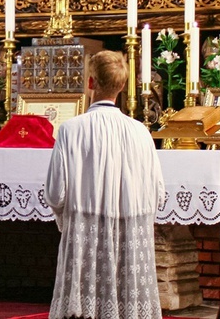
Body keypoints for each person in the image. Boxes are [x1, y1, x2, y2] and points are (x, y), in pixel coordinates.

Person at [45, 51, 164, 319]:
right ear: (122, 86)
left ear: (89, 82)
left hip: (86, 234)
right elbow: (158, 193)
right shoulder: (141, 132)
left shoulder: (71, 129)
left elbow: (55, 193)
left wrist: (68, 218)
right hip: (130, 235)